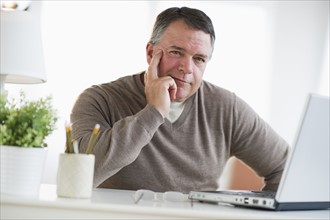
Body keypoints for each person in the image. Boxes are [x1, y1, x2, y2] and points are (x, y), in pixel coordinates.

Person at [71, 6, 289, 193]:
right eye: (176, 52)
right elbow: (79, 176)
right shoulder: (99, 99)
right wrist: (153, 112)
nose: (187, 68)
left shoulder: (226, 108)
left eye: (199, 59)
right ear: (150, 53)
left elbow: (285, 168)